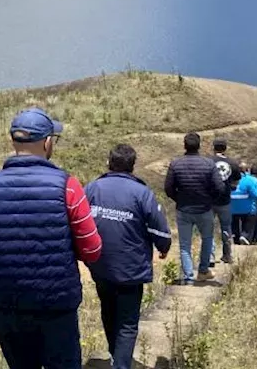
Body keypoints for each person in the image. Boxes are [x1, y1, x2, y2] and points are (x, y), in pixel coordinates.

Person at [0, 107, 103, 369]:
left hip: (5, 305)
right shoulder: (67, 186)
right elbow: (92, 249)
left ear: (13, 141)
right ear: (47, 143)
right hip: (56, 304)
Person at [85, 145, 173, 369]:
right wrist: (163, 246)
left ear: (109, 162)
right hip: (131, 268)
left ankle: (116, 356)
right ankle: (121, 364)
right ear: (133, 166)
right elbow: (160, 230)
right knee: (127, 322)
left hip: (100, 265)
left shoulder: (92, 188)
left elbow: (79, 223)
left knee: (108, 309)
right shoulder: (142, 193)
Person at [164, 132, 227, 283]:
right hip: (204, 209)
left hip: (183, 209)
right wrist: (210, 200)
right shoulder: (208, 164)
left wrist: (178, 199)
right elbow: (220, 188)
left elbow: (168, 188)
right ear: (199, 146)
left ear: (184, 145)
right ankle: (203, 271)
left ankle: (188, 276)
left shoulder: (175, 164)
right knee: (207, 239)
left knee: (185, 244)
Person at [209, 137, 242, 265]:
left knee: (208, 229)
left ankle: (210, 256)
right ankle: (227, 255)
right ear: (225, 148)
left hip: (209, 200)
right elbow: (236, 183)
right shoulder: (232, 163)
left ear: (214, 148)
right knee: (226, 228)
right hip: (225, 200)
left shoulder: (208, 161)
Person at [229, 161, 257, 246]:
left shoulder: (230, 179)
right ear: (247, 170)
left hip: (232, 208)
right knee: (251, 215)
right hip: (247, 209)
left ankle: (235, 237)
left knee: (234, 221)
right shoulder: (251, 180)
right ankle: (245, 235)